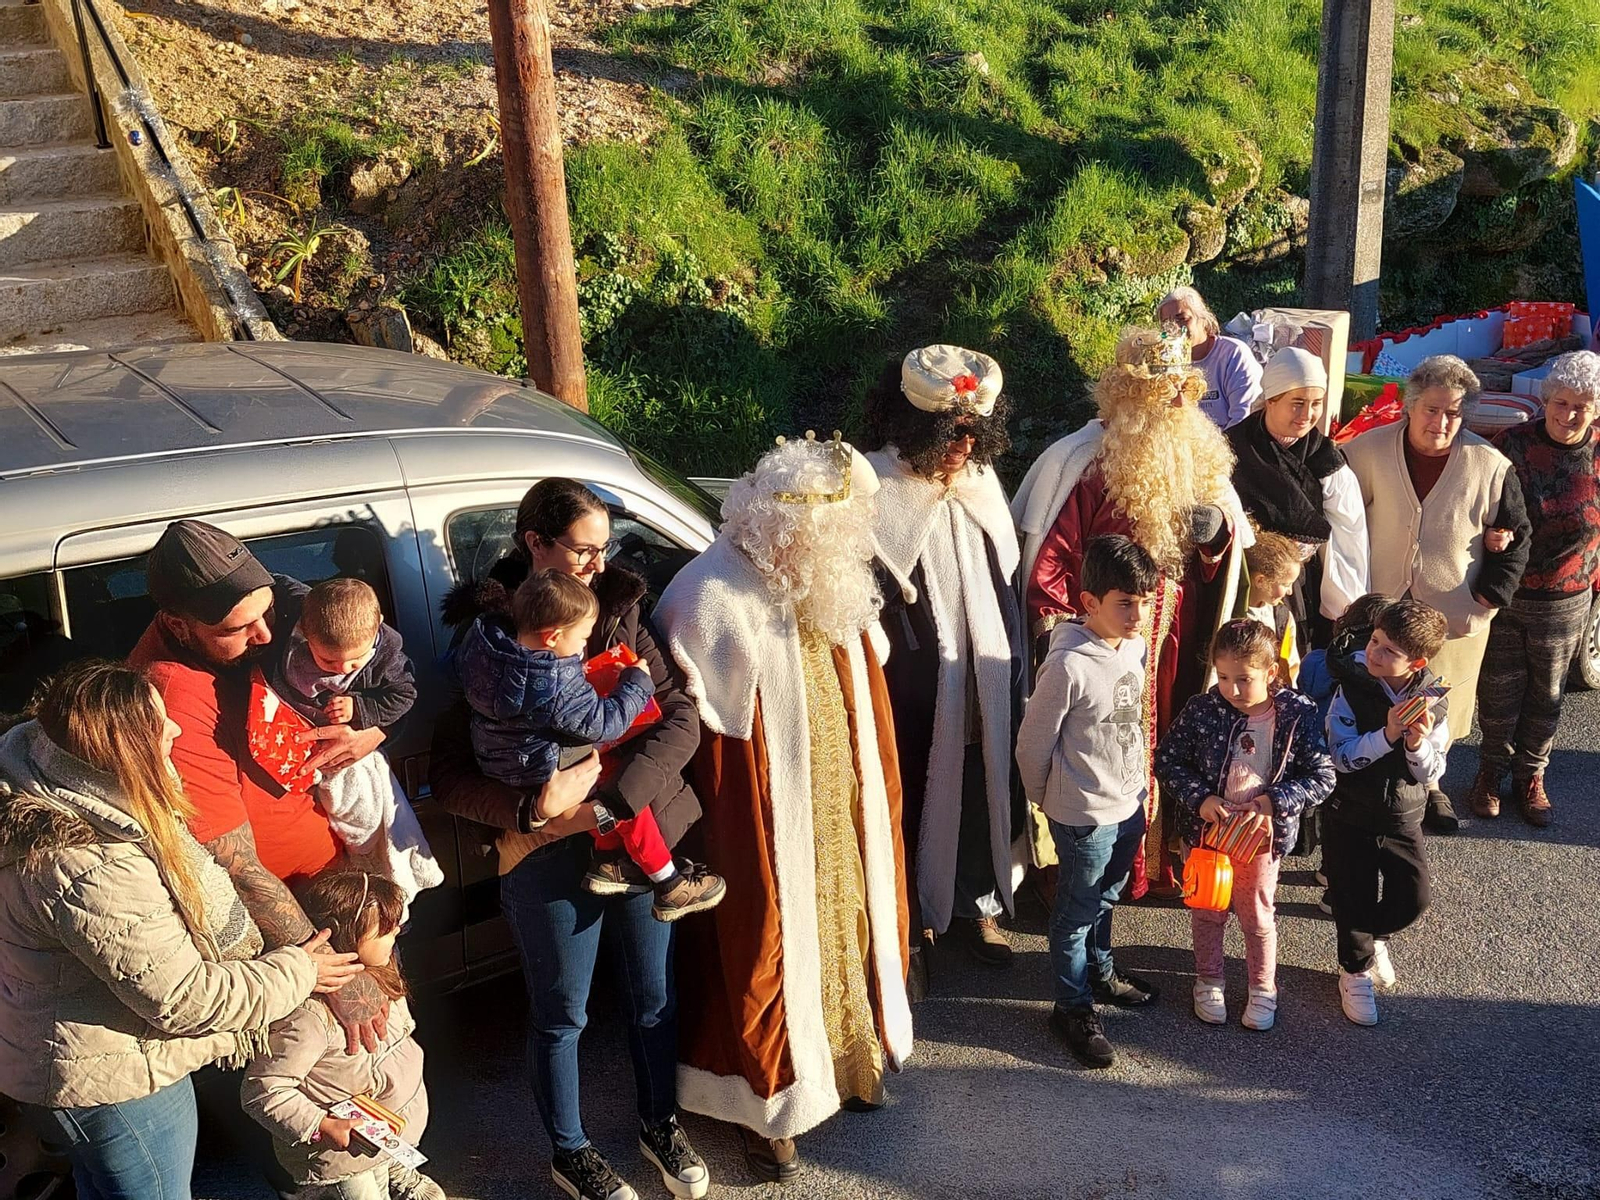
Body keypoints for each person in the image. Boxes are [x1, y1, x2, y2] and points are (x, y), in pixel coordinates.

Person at [432, 478, 709, 1200]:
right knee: (563, 1014)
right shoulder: (489, 640)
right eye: (583, 550)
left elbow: (680, 719)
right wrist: (532, 817)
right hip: (546, 856)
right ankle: (571, 1149)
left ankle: (659, 1123)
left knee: (654, 994)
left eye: (603, 548)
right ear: (535, 544)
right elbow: (452, 773)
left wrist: (610, 804)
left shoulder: (619, 607)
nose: (598, 562)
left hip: (632, 837)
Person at [0, 660, 361, 1200]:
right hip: (114, 1080)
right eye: (157, 724)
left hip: (72, 1059)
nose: (175, 730)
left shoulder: (56, 783)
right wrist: (300, 969)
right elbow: (181, 998)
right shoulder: (90, 864)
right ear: (122, 757)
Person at [655, 434, 912, 1182]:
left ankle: (846, 1064)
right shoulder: (711, 595)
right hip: (766, 819)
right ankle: (763, 1107)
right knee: (765, 936)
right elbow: (704, 743)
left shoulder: (827, 582)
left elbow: (870, 664)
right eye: (837, 538)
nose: (850, 551)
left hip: (839, 806)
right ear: (792, 531)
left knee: (848, 921)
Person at [128, 520, 392, 1051]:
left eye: (264, 612)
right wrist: (330, 971)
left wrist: (373, 729)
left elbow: (391, 669)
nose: (266, 636)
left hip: (347, 891)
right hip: (300, 930)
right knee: (329, 1096)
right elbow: (236, 864)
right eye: (237, 628)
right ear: (180, 627)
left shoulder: (268, 611)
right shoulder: (172, 696)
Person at [1013, 326, 1251, 898]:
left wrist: (1218, 535)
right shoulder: (1081, 463)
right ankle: (1093, 870)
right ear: (1124, 397)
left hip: (1180, 635)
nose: (1174, 403)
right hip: (1107, 640)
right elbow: (1052, 559)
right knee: (1106, 740)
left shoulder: (1200, 460)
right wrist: (1077, 634)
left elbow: (1229, 550)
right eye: (1159, 392)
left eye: (1183, 392)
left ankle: (1165, 856)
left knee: (1173, 735)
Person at [862, 344, 1025, 980]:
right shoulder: (874, 487)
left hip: (984, 679)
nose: (962, 446)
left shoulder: (981, 484)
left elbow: (1003, 576)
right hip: (913, 690)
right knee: (912, 789)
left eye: (973, 432)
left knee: (984, 784)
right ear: (912, 427)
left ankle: (973, 906)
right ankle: (910, 917)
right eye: (949, 433)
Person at [451, 567, 724, 920]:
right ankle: (668, 882)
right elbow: (604, 725)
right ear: (552, 638)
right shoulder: (557, 679)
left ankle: (608, 858)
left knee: (609, 788)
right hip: (545, 769)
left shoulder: (483, 645)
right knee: (618, 790)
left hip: (498, 761)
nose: (583, 647)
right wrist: (636, 684)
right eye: (581, 639)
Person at [1339, 355, 1530, 833]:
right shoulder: (1367, 450)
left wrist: (1488, 597)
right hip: (1380, 608)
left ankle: (1433, 788)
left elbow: (1517, 535)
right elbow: (1339, 519)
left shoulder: (1490, 464)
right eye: (1431, 409)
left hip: (1453, 611)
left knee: (1438, 708)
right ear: (1409, 406)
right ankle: (1372, 784)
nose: (1441, 422)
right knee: (1374, 697)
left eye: (1453, 413)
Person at [1014, 535, 1161, 1068]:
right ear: (1089, 601)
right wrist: (1052, 801)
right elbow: (1032, 745)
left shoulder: (1135, 647)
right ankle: (1072, 1008)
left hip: (1128, 804)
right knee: (1075, 913)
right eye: (1126, 602)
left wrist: (1139, 789)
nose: (1138, 613)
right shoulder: (1069, 665)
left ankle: (1100, 972)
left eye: (1145, 601)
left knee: (1106, 898)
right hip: (1082, 816)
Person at [1155, 619, 1334, 1033]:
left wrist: (1274, 802)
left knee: (1256, 914)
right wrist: (1202, 799)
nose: (1231, 689)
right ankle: (1209, 980)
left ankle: (1262, 987)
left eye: (1244, 679)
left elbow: (1323, 777)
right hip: (1208, 836)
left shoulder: (1296, 714)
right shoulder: (1203, 708)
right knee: (1207, 909)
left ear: (1272, 672)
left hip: (1259, 839)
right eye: (1222, 677)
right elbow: (1168, 759)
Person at [243, 871, 445, 1200]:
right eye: (384, 927)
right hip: (339, 1155)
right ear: (345, 934)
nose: (396, 929)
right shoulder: (309, 1018)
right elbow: (263, 1089)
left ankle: (396, 1170)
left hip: (379, 1135)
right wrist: (321, 1125)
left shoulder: (382, 975)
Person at [1469, 351, 1600, 827]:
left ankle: (1531, 778)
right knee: (1498, 690)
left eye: (1581, 407)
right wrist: (1491, 531)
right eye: (1560, 402)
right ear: (1545, 400)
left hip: (1567, 599)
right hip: (1508, 590)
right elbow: (1481, 498)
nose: (1568, 415)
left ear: (1596, 410)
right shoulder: (1512, 443)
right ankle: (1488, 774)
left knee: (1546, 695)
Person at [264, 577, 440, 907]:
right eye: (328, 662)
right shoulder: (295, 615)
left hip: (345, 756)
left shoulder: (386, 658)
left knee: (365, 821)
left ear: (376, 630)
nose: (343, 669)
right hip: (293, 750)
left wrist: (360, 708)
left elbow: (405, 695)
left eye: (355, 661)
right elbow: (274, 584)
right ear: (304, 629)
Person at [1321, 598, 1450, 1026]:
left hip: (1402, 816)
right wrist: (1387, 733)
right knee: (1350, 894)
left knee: (1414, 897)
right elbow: (1340, 756)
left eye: (1388, 650)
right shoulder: (1351, 687)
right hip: (1349, 812)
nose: (1373, 653)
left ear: (1416, 662)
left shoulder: (1433, 698)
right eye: (1374, 640)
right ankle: (1353, 971)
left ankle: (1376, 938)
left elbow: (1433, 769)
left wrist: (1415, 743)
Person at [1226, 346, 1370, 646]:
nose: (1307, 414)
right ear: (1271, 400)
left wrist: (1341, 610)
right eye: (1297, 403)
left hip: (1297, 589)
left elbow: (1348, 535)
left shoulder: (1326, 459)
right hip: (1237, 582)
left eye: (1316, 403)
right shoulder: (1231, 449)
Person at [1157, 285, 1263, 428]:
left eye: (1182, 319)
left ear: (1203, 320)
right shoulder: (1163, 363)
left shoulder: (1234, 355)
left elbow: (1244, 420)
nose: (1173, 328)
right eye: (1166, 323)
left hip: (1231, 444)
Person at [1244, 529, 1305, 685]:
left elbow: (1291, 669)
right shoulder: (1231, 614)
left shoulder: (1282, 617)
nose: (1290, 592)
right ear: (1260, 581)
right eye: (1285, 584)